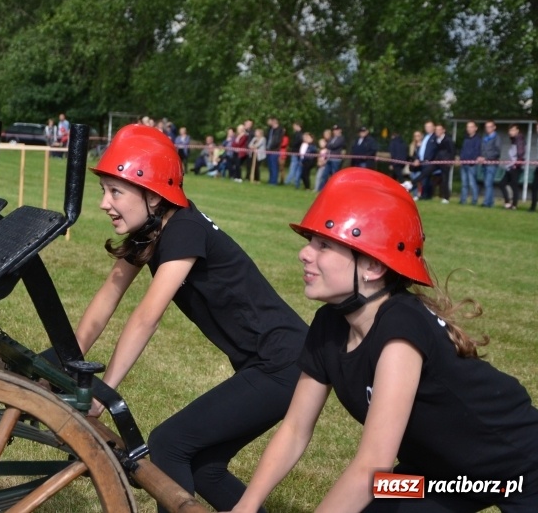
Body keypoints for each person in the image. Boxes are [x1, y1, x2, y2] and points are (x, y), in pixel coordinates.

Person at [229, 167, 538, 513]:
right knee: (374, 504)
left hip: (518, 471)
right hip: (438, 479)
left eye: (324, 245)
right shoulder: (329, 325)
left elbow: (371, 465)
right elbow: (295, 429)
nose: (305, 253)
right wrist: (247, 505)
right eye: (310, 242)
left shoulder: (401, 325)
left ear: (373, 267)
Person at [80, 124, 307, 513]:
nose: (104, 203)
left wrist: (105, 390)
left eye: (115, 191)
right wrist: (68, 357)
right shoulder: (151, 228)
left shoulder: (184, 229)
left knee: (170, 443)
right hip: (266, 362)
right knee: (205, 467)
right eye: (104, 190)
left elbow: (147, 317)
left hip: (284, 363)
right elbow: (107, 299)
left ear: (152, 196)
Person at [477, 120, 501, 208]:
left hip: (492, 164)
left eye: (490, 126)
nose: (488, 128)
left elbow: (497, 152)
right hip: (484, 164)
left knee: (488, 183)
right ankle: (491, 203)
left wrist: (486, 158)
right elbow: (482, 150)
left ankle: (486, 203)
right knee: (487, 183)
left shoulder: (497, 138)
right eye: (486, 127)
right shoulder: (485, 137)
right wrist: (480, 156)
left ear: (494, 127)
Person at [458, 121, 481, 205]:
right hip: (463, 164)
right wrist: (461, 159)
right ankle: (463, 200)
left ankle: (474, 200)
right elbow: (463, 150)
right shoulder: (466, 139)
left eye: (471, 127)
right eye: (468, 127)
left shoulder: (478, 139)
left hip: (472, 165)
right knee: (464, 184)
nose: (469, 129)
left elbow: (477, 151)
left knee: (472, 183)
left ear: (475, 128)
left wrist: (472, 160)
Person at [502, 124, 525, 210]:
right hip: (510, 166)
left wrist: (516, 165)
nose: (511, 132)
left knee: (514, 185)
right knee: (503, 184)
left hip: (515, 167)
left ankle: (514, 205)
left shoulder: (519, 140)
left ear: (517, 131)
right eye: (510, 130)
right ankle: (508, 203)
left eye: (513, 130)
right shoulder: (513, 140)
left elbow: (520, 154)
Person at [266, 117, 283, 185]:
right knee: (270, 166)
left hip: (274, 150)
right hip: (268, 150)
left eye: (270, 121)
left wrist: (272, 147)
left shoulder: (279, 130)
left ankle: (274, 181)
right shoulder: (270, 129)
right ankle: (270, 180)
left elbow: (277, 141)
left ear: (274, 121)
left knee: (274, 166)